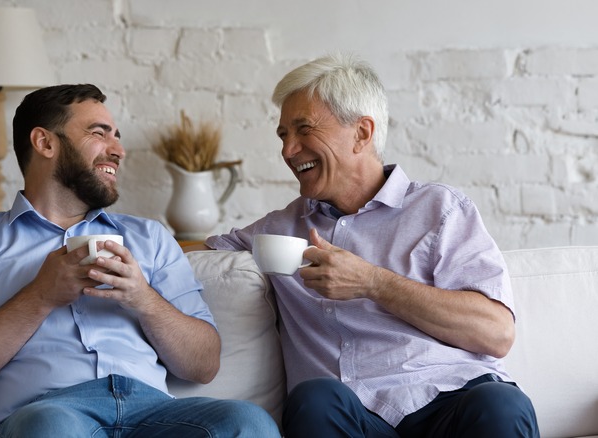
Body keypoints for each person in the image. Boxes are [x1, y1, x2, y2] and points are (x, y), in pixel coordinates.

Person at [191, 53, 540, 437]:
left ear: (361, 133)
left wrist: (373, 282)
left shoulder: (440, 210)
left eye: (303, 130)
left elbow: (496, 333)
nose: (288, 150)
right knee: (315, 399)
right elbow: (189, 252)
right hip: (350, 415)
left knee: (501, 404)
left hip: (452, 403)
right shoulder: (281, 230)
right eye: (283, 135)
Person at [0, 84, 279, 438]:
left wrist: (144, 298)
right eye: (99, 133)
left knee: (247, 422)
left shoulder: (149, 238)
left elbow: (204, 365)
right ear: (45, 142)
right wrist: (41, 295)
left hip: (153, 414)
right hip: (49, 412)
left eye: (116, 136)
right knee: (52, 428)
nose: (118, 150)